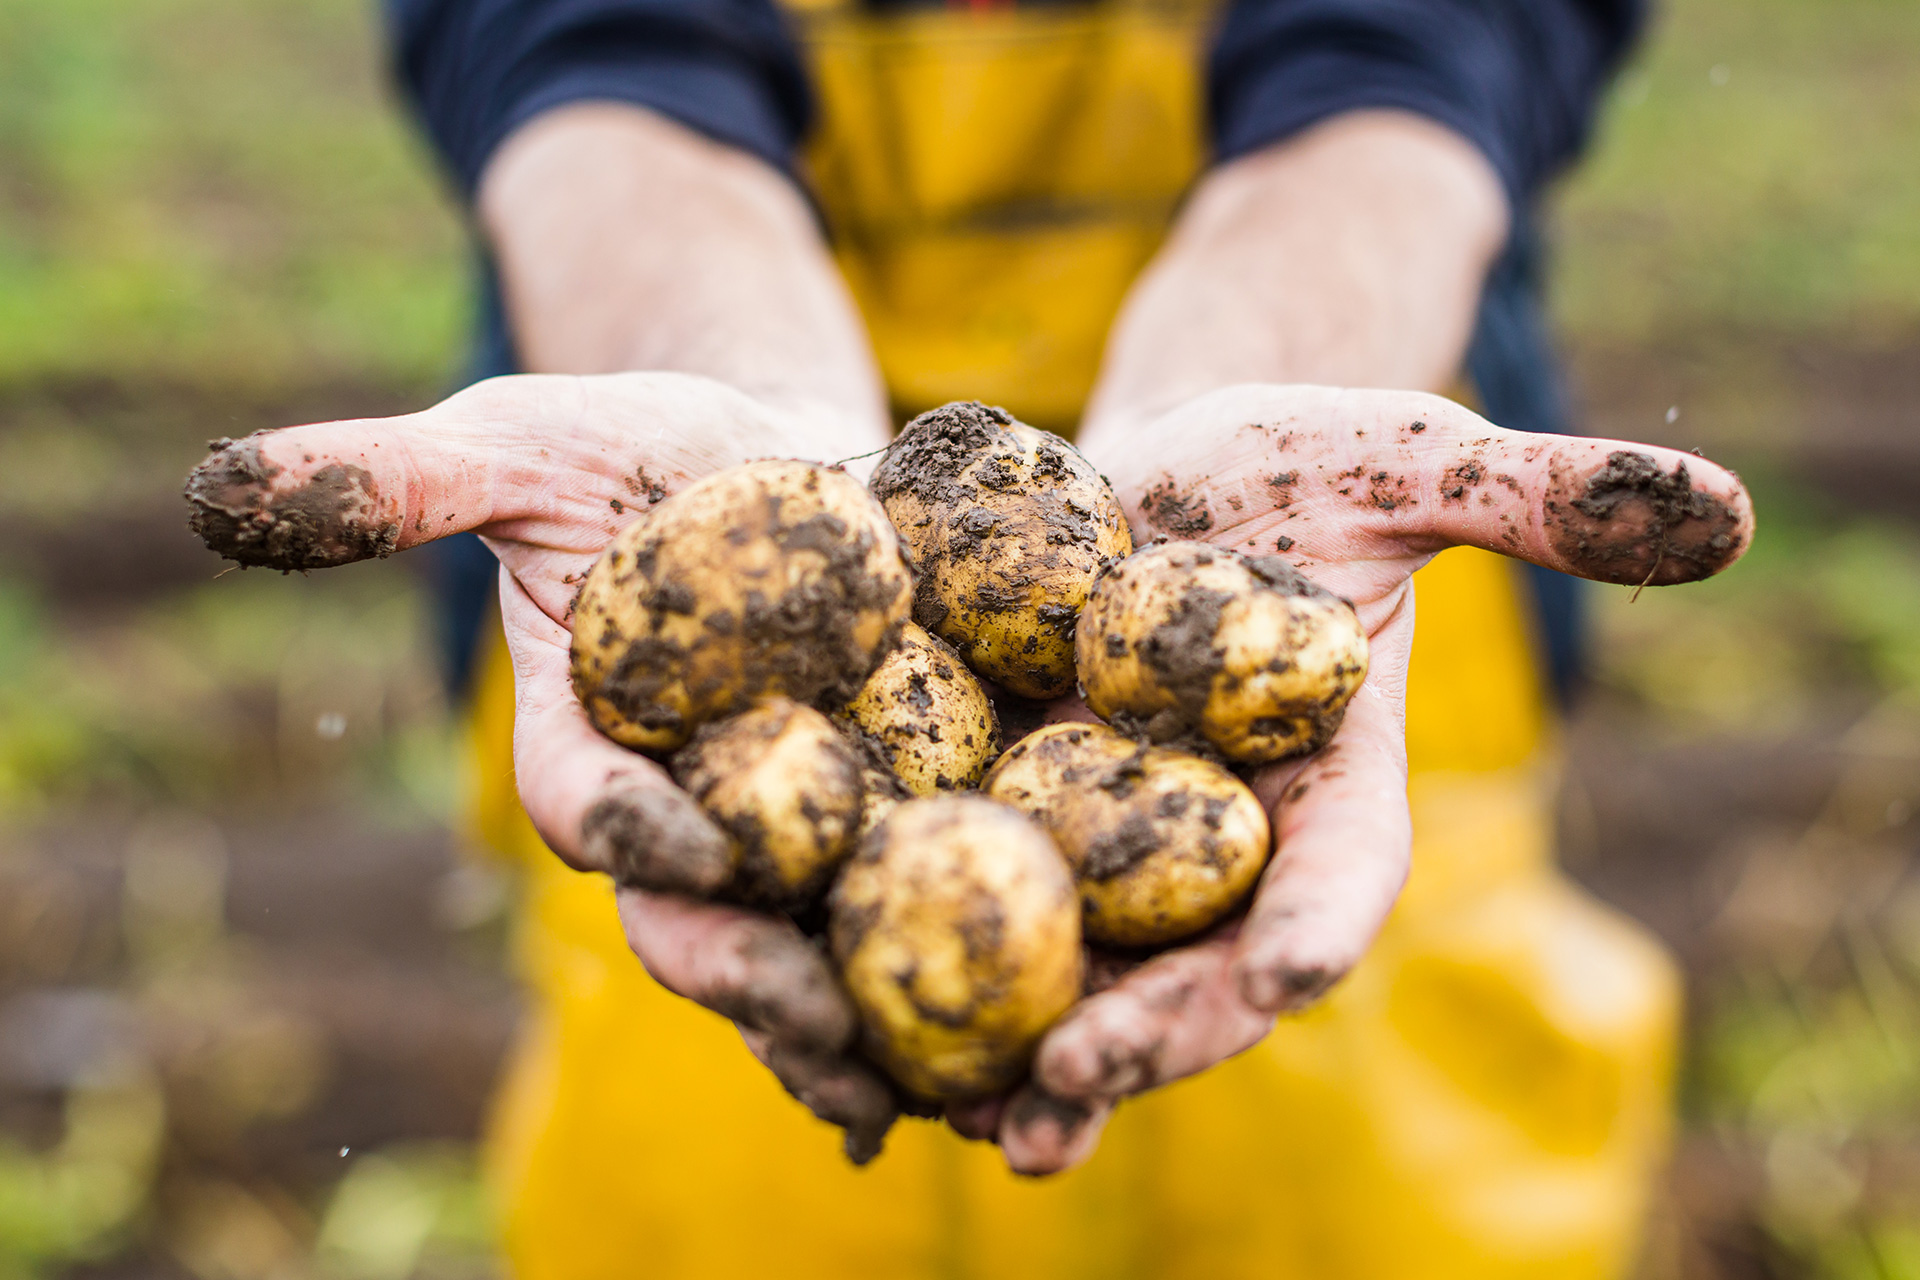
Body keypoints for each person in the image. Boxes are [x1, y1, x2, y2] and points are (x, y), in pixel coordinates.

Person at [184, 0, 1754, 1273]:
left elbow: (1420, 42)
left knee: (1362, 1175)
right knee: (704, 1178)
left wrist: (1286, 323)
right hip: (687, 361)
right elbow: (586, 40)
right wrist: (711, 368)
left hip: (1301, 411)